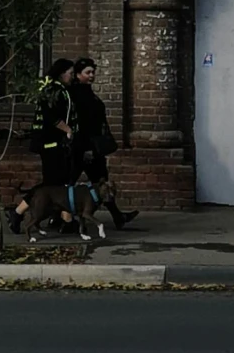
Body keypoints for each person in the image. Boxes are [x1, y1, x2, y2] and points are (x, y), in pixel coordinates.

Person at [8, 55, 77, 234]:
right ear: (62, 74)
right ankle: (17, 212)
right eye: (70, 73)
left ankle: (66, 220)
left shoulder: (60, 89)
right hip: (50, 144)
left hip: (56, 144)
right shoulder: (53, 91)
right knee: (50, 185)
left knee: (59, 183)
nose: (73, 76)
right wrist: (67, 129)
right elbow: (51, 116)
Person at [70, 55, 137, 230]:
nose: (92, 75)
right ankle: (58, 217)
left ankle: (117, 216)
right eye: (88, 72)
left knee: (100, 183)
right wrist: (87, 149)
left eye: (93, 72)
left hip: (90, 148)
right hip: (86, 148)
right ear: (78, 74)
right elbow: (83, 125)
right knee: (79, 183)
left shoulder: (86, 92)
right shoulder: (79, 95)